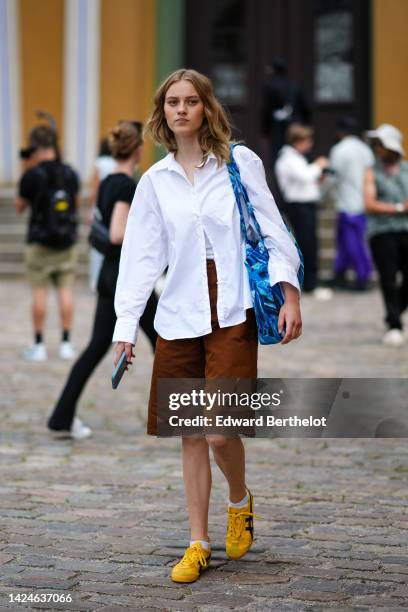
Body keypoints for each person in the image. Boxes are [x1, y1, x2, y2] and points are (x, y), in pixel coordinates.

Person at [113, 69, 302, 583]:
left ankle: (239, 501)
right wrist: (126, 327)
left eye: (190, 101)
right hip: (178, 315)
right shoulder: (154, 182)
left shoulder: (240, 164)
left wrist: (289, 291)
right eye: (172, 102)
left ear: (205, 108)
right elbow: (141, 257)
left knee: (219, 432)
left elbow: (272, 228)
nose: (180, 110)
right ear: (162, 112)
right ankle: (197, 543)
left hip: (234, 310)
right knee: (191, 434)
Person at [47, 121, 158, 439]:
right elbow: (117, 233)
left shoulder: (109, 180)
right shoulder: (125, 185)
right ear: (138, 149)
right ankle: (191, 415)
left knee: (98, 346)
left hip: (111, 274)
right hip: (125, 275)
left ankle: (61, 417)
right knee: (167, 344)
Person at [15, 124, 80, 361]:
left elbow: (20, 207)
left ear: (33, 146)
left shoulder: (32, 174)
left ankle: (40, 345)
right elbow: (74, 202)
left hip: (39, 243)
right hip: (66, 242)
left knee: (39, 293)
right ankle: (66, 343)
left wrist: (26, 169)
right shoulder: (70, 173)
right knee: (66, 291)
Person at [364, 124, 408, 347]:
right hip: (382, 232)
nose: (376, 148)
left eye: (380, 144)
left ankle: (395, 311)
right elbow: (370, 204)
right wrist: (400, 207)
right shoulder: (372, 171)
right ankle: (394, 324)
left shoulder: (406, 169)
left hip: (406, 230)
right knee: (388, 278)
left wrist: (389, 206)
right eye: (375, 144)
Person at [275, 123, 331, 298]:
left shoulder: (297, 158)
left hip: (306, 205)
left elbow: (308, 181)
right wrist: (319, 165)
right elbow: (305, 175)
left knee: (311, 243)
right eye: (307, 140)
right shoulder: (288, 158)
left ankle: (311, 283)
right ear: (298, 141)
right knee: (306, 244)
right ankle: (310, 285)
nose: (310, 144)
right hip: (298, 206)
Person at [329, 117, 374, 290]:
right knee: (347, 241)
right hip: (361, 202)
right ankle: (340, 274)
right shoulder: (365, 149)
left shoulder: (338, 150)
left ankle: (363, 277)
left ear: (340, 132)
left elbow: (333, 177)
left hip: (346, 203)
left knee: (351, 243)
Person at [261, 57, 310, 164]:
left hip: (277, 128)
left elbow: (266, 110)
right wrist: (306, 124)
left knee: (278, 157)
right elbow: (305, 107)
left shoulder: (269, 85)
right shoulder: (294, 85)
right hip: (294, 126)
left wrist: (265, 131)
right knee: (296, 153)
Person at [88, 138, 117, 292]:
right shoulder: (115, 163)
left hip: (100, 207)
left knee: (97, 244)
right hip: (113, 207)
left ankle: (95, 279)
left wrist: (91, 208)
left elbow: (95, 188)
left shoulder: (99, 163)